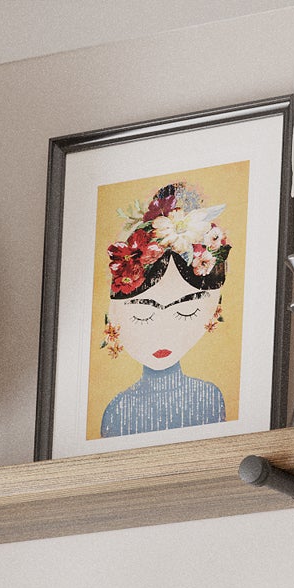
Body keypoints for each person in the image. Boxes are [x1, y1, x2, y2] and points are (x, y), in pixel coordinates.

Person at [99, 182, 231, 438]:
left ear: (211, 311)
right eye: (143, 314)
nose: (163, 332)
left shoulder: (209, 400)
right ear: (114, 313)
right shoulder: (117, 411)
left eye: (187, 312)